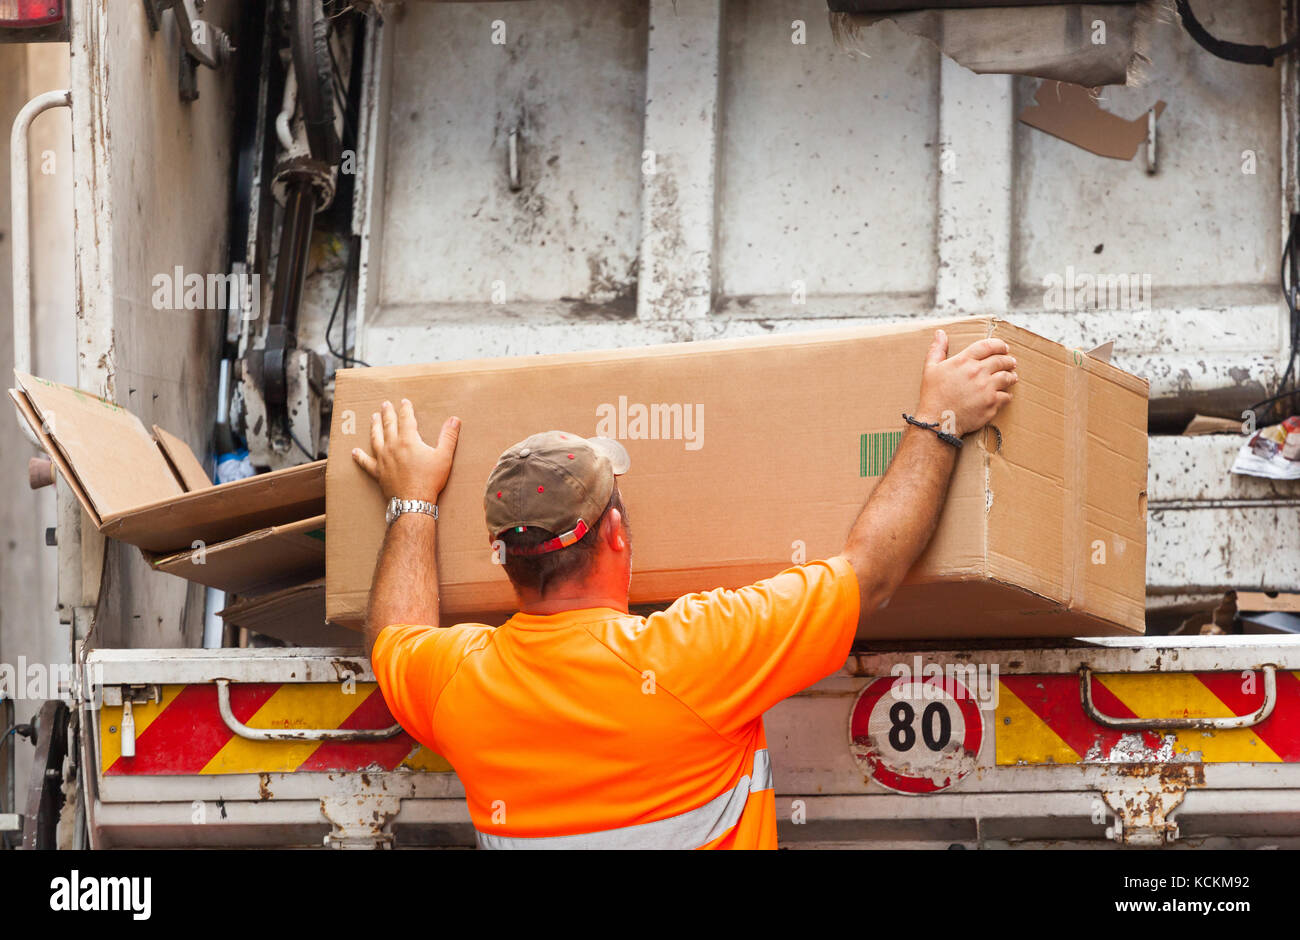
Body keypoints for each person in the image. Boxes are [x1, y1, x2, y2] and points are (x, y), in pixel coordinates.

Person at [351, 328, 1017, 849]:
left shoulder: (459, 684)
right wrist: (941, 421)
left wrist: (413, 501)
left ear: (504, 560)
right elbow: (869, 573)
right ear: (616, 532)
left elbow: (393, 637)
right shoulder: (692, 655)